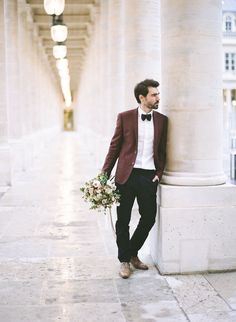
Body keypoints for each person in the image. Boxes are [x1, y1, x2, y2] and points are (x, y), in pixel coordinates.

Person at [102, 79, 168, 279]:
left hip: (149, 177)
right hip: (126, 176)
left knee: (148, 218)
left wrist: (158, 173)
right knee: (123, 220)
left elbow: (163, 151)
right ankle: (124, 260)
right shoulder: (125, 117)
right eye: (154, 94)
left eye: (157, 93)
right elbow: (114, 147)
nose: (158, 97)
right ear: (142, 97)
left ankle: (132, 252)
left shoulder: (162, 120)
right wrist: (104, 175)